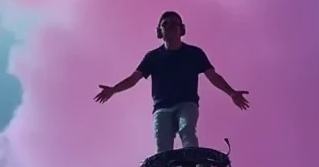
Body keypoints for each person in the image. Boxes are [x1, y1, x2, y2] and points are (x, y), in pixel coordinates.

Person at [95, 11, 249, 153]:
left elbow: (213, 76)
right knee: (162, 142)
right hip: (162, 107)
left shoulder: (194, 53)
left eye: (174, 23)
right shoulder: (153, 57)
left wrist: (231, 92)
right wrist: (113, 90)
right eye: (165, 24)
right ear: (159, 31)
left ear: (181, 29)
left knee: (187, 130)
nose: (170, 26)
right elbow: (134, 78)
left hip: (187, 103)